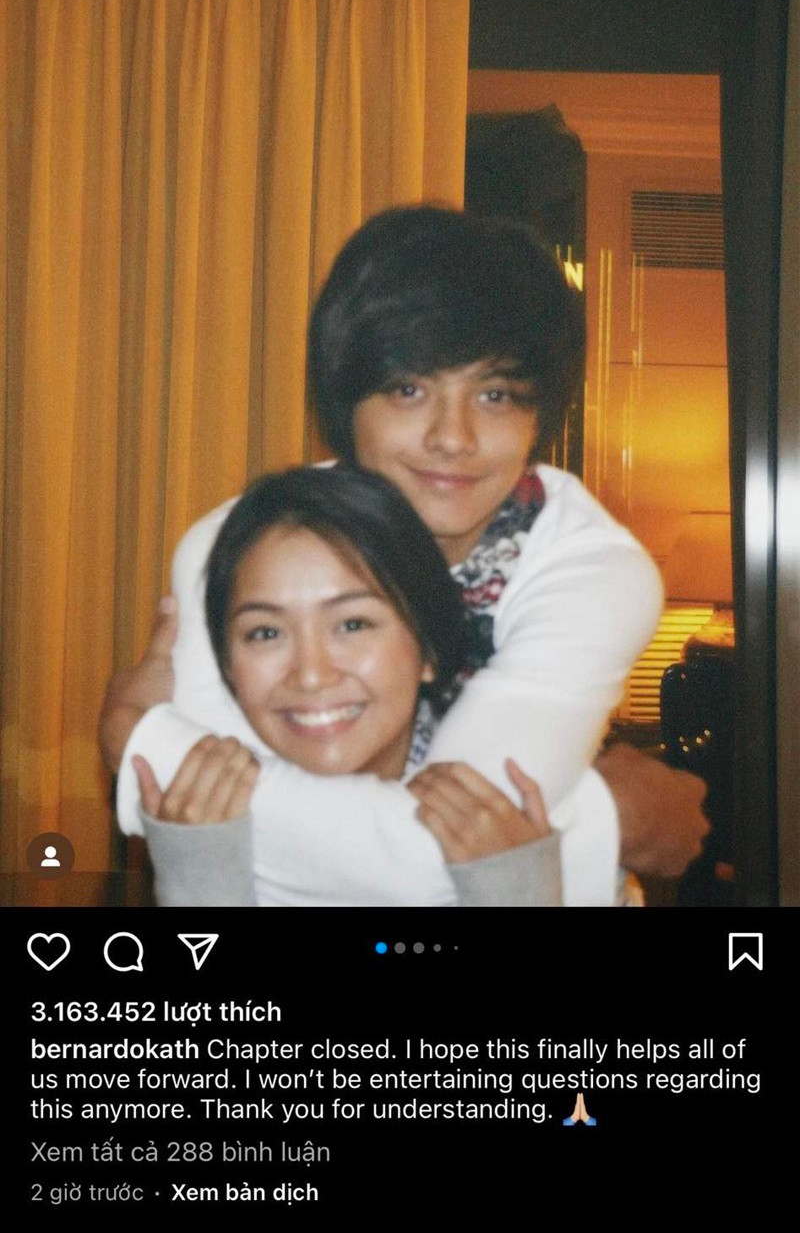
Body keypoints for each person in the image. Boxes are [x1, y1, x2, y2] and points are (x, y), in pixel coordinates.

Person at [105, 206, 709, 905]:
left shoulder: (589, 572)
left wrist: (143, 743)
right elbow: (432, 855)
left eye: (495, 394)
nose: (453, 437)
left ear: (539, 414)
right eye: (409, 389)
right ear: (345, 400)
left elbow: (435, 858)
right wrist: (601, 821)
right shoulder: (238, 548)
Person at [135, 466, 560, 906]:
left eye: (353, 624)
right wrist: (198, 881)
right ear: (227, 665)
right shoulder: (198, 811)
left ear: (429, 648)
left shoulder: (518, 806)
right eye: (266, 632)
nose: (311, 675)